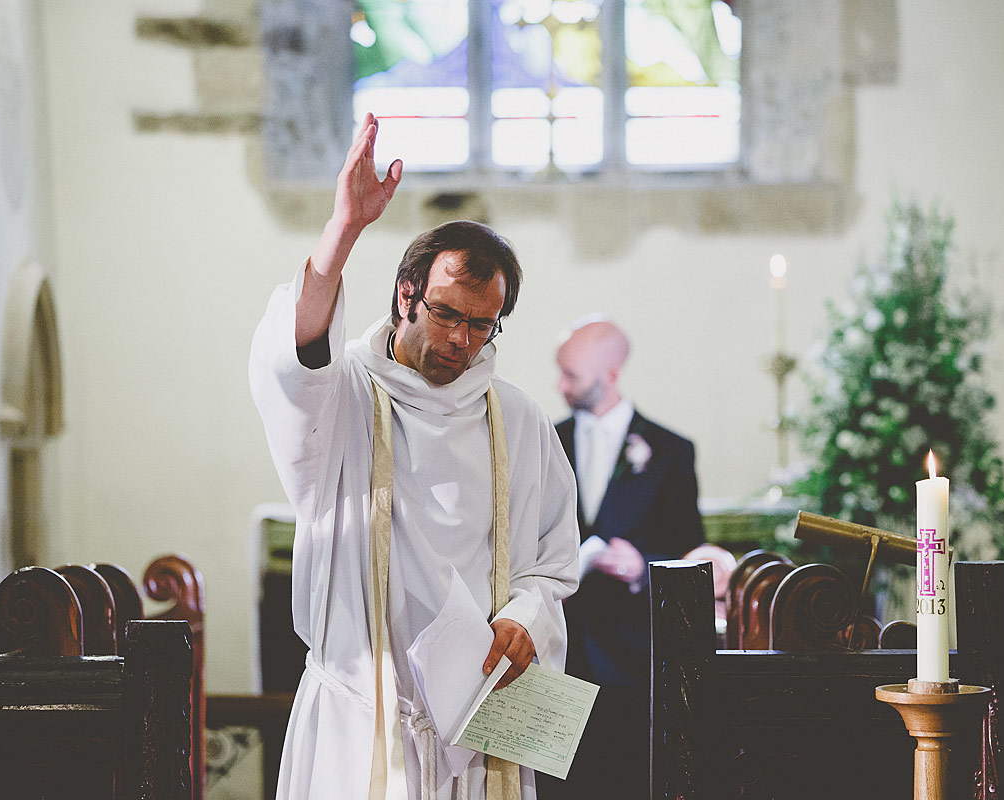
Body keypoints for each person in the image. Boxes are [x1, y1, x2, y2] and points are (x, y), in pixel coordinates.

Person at [249, 112, 579, 800]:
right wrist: (342, 230)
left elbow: (551, 566)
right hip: (359, 726)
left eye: (484, 324)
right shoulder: (343, 399)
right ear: (407, 295)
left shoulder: (515, 419)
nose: (464, 341)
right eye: (449, 314)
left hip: (480, 735)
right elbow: (294, 363)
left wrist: (525, 617)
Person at [541, 317, 705, 800]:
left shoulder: (670, 451)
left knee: (625, 782)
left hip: (632, 657)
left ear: (611, 375)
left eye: (571, 374)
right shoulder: (546, 441)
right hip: (558, 648)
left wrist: (641, 565)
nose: (560, 385)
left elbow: (690, 553)